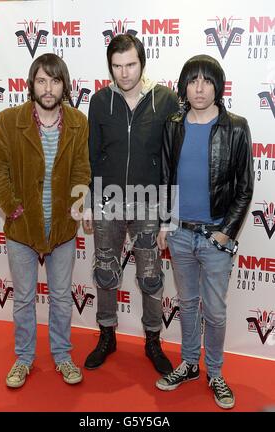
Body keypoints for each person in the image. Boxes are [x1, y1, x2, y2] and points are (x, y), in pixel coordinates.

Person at [0, 53, 91, 388]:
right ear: (31, 84)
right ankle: (24, 358)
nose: (48, 88)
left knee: (61, 297)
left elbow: (82, 171)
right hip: (22, 229)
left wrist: (76, 207)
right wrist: (12, 207)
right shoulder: (7, 120)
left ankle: (62, 356)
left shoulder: (78, 122)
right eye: (42, 80)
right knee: (24, 298)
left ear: (64, 85)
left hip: (61, 229)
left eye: (55, 81)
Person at [155, 54, 254, 409]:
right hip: (180, 233)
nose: (199, 88)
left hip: (216, 237)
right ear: (183, 86)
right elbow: (165, 178)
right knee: (185, 304)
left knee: (214, 310)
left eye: (207, 81)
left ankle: (215, 372)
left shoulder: (237, 127)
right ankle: (189, 365)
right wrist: (166, 223)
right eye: (192, 81)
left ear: (218, 86)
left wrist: (226, 232)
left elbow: (245, 187)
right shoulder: (173, 124)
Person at [83, 34, 179, 374]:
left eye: (131, 65)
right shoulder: (99, 101)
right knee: (105, 271)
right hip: (107, 202)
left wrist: (169, 215)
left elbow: (172, 161)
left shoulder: (166, 100)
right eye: (117, 66)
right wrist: (89, 202)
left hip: (149, 204)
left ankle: (153, 339)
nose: (124, 73)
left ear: (143, 61)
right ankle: (107, 333)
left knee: (151, 276)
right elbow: (91, 154)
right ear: (110, 67)